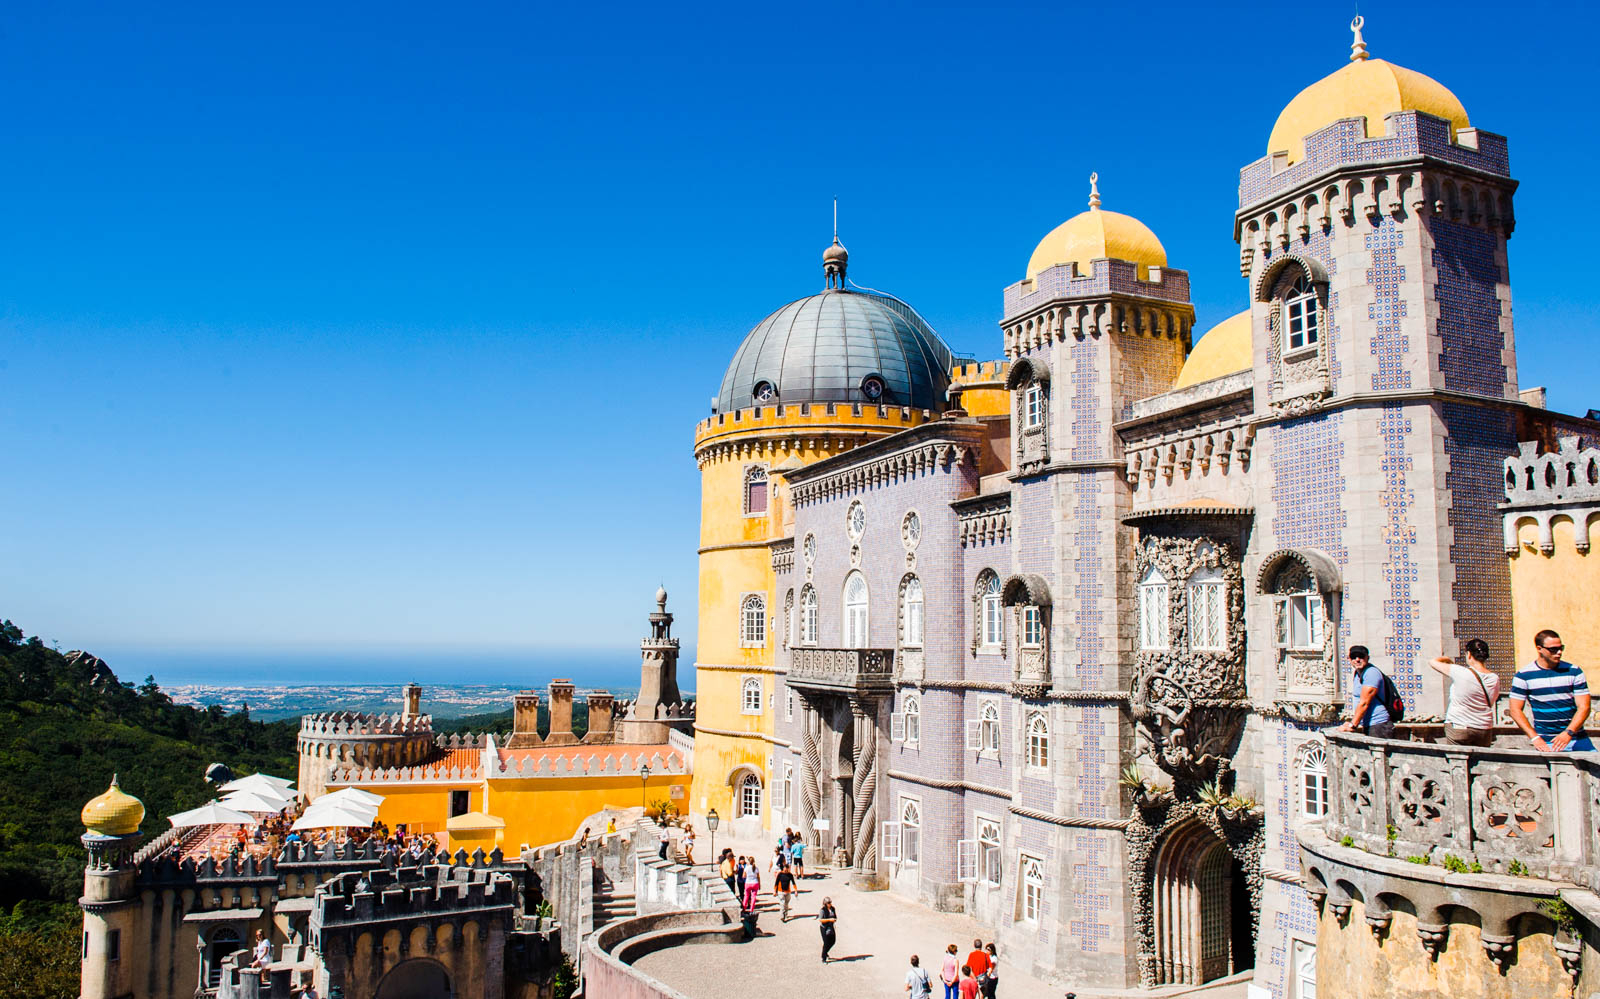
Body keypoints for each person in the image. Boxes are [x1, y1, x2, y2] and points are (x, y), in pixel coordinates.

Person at [1510, 629, 1594, 751]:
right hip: (1546, 742)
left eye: (1561, 648)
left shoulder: (1574, 671)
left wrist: (1568, 733)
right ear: (1539, 649)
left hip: (1577, 738)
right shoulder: (1523, 676)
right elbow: (1515, 710)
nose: (1559, 652)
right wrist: (1535, 738)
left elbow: (1584, 706)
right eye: (1553, 649)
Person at [1428, 638, 1501, 746]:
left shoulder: (1459, 672)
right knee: (1481, 761)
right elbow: (1490, 702)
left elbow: (1432, 662)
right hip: (1484, 727)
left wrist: (1446, 658)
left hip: (1459, 726)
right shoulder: (1494, 678)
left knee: (1457, 760)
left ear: (1469, 655)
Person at [1339, 646, 1395, 738]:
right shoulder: (1358, 673)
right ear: (1349, 659)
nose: (1357, 660)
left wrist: (1352, 725)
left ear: (1367, 658)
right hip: (1370, 724)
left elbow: (1364, 703)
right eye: (1354, 657)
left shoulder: (1371, 673)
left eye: (1361, 656)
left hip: (1379, 725)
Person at [818, 897, 837, 962]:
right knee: (826, 943)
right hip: (824, 928)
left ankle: (825, 952)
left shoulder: (833, 908)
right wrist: (829, 920)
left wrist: (834, 920)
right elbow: (821, 920)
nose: (830, 904)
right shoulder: (822, 910)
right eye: (829, 903)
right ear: (825, 904)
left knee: (833, 941)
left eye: (830, 902)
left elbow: (835, 916)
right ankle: (823, 958)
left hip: (831, 927)